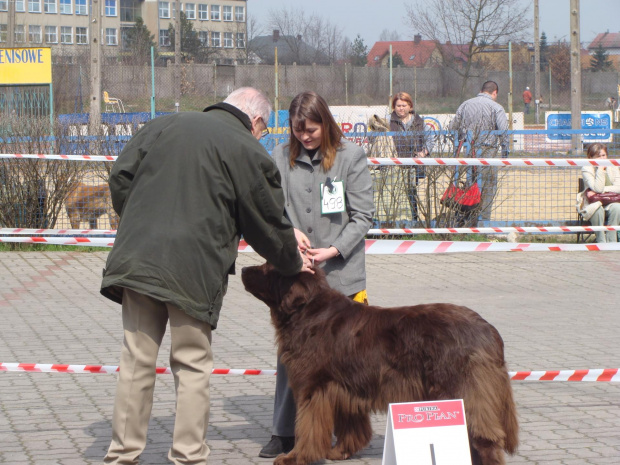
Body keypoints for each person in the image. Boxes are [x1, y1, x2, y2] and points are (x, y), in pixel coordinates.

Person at [101, 87, 313, 465]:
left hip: (139, 259)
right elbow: (265, 217)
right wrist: (292, 261)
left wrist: (138, 220)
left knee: (136, 361)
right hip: (194, 268)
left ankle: (122, 455)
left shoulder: (163, 124)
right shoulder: (246, 148)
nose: (261, 137)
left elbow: (120, 176)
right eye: (263, 131)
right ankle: (187, 455)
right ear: (258, 121)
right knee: (192, 363)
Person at [258, 91, 374, 458]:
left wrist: (333, 249)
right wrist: (290, 236)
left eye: (310, 130)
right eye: (297, 130)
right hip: (295, 278)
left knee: (348, 363)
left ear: (325, 123)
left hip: (342, 278)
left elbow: (362, 217)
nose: (304, 137)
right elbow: (271, 209)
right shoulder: (278, 157)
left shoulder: (351, 157)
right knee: (292, 357)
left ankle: (350, 434)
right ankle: (283, 432)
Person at [449, 80, 509, 226]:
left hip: (469, 151)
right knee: (488, 186)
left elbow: (452, 126)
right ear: (495, 93)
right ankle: (483, 222)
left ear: (482, 90)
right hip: (488, 151)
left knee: (471, 186)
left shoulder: (465, 104)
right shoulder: (496, 107)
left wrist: (459, 142)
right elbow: (504, 132)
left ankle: (470, 220)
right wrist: (505, 152)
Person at [389, 91, 434, 222]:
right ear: (394, 107)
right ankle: (394, 222)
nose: (401, 108)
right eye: (398, 106)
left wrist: (422, 153)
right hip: (394, 166)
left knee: (411, 194)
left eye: (404, 105)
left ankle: (412, 222)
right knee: (394, 196)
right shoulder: (388, 121)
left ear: (410, 106)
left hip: (412, 167)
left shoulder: (420, 122)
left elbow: (430, 140)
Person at [579, 143, 620, 243]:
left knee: (617, 208)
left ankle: (612, 241)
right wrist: (600, 170)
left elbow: (618, 188)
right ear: (591, 157)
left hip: (611, 200)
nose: (602, 158)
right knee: (597, 210)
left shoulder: (613, 166)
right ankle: (601, 241)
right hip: (593, 202)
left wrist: (603, 190)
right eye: (598, 156)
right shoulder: (587, 168)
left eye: (604, 155)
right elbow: (597, 187)